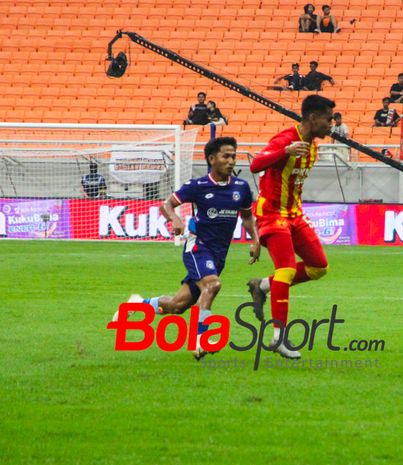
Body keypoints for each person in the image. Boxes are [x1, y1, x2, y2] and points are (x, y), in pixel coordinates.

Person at [120, 137, 261, 360]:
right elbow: (166, 204)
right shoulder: (197, 186)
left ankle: (139, 304)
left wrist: (256, 239)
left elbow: (246, 216)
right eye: (226, 156)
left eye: (233, 156)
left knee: (178, 305)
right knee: (213, 285)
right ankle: (200, 339)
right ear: (212, 159)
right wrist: (175, 219)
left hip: (219, 254)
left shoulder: (241, 188)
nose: (231, 161)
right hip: (198, 247)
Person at [247, 95, 335, 358]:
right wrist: (284, 151)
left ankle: (262, 285)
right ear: (313, 118)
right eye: (329, 119)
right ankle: (278, 337)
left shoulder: (312, 146)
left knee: (319, 267)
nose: (332, 124)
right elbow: (255, 165)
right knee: (285, 270)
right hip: (272, 213)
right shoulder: (285, 140)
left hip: (295, 213)